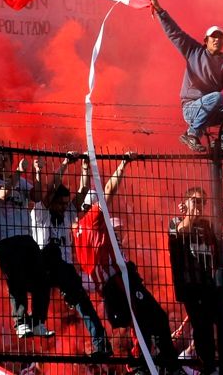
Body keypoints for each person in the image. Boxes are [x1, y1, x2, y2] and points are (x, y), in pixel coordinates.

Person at [73, 154, 187, 375]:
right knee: (155, 319)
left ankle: (146, 365)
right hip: (118, 283)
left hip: (110, 287)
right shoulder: (94, 220)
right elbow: (109, 189)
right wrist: (123, 163)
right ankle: (160, 365)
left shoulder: (76, 228)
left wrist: (85, 168)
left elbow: (84, 189)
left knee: (143, 323)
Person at [150, 0, 223, 152]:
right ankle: (191, 134)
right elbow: (175, 34)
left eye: (220, 37)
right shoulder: (194, 51)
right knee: (217, 97)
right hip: (191, 109)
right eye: (213, 37)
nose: (217, 40)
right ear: (206, 40)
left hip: (212, 112)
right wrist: (160, 11)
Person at [30, 152, 112, 358]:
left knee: (82, 301)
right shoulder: (40, 212)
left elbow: (83, 191)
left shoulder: (67, 213)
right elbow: (50, 189)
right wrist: (65, 163)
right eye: (60, 203)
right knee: (50, 256)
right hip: (44, 262)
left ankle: (101, 344)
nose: (64, 207)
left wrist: (84, 167)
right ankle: (35, 322)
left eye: (66, 204)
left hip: (64, 267)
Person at [168, 186, 223, 375]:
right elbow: (180, 232)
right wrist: (189, 214)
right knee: (203, 329)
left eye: (203, 202)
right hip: (191, 287)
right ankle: (208, 367)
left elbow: (222, 247)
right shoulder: (176, 221)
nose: (200, 206)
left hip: (210, 285)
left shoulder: (205, 225)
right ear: (185, 203)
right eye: (195, 201)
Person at [0, 150, 54, 339]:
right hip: (5, 239)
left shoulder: (20, 181)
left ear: (11, 162)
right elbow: (3, 193)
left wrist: (37, 172)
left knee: (42, 278)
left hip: (25, 236)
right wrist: (18, 173)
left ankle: (38, 321)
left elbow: (37, 196)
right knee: (16, 280)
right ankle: (20, 322)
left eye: (4, 159)